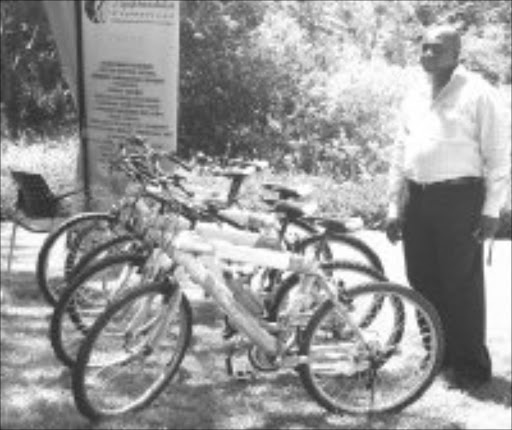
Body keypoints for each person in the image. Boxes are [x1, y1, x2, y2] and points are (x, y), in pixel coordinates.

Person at [385, 24, 510, 389]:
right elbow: (399, 154)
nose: (428, 55)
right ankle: (437, 355)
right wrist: (395, 205)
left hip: (460, 200)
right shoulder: (413, 97)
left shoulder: (478, 94)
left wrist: (491, 211)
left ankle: (471, 366)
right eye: (424, 48)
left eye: (437, 49)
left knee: (460, 284)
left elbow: (499, 157)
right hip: (418, 198)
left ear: (457, 54)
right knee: (421, 279)